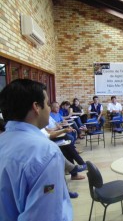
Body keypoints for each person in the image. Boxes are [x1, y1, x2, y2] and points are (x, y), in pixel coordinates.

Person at [0, 79, 72, 220]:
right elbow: (45, 215)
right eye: (46, 104)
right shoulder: (46, 152)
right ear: (36, 107)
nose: (50, 109)